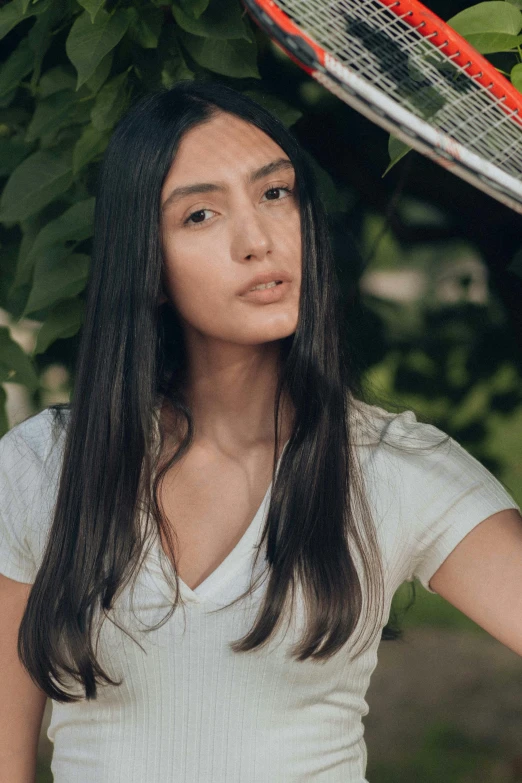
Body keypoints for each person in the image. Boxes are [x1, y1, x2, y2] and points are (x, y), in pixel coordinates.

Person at [0, 79, 520, 783]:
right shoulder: (42, 466)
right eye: (202, 214)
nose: (257, 240)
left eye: (276, 194)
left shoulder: (391, 466)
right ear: (147, 266)